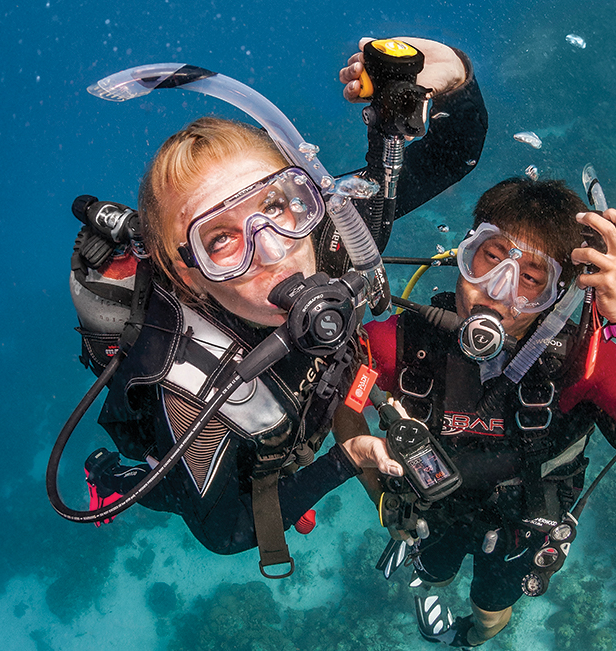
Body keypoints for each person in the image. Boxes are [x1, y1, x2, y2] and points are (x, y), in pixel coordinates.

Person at [66, 37, 488, 576]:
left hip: (307, 397)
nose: (273, 249)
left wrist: (454, 75)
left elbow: (458, 153)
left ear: (307, 195)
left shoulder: (331, 233)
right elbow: (227, 532)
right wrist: (343, 461)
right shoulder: (184, 391)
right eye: (220, 240)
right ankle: (111, 479)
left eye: (274, 204)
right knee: (173, 485)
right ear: (185, 271)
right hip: (220, 442)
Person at [363, 177, 616, 646]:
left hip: (522, 530)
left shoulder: (585, 365)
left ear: (561, 294)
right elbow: (341, 398)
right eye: (490, 258)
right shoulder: (403, 343)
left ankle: (472, 636)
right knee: (432, 573)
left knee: (492, 608)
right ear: (463, 252)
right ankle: (430, 595)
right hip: (432, 513)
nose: (498, 291)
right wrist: (382, 495)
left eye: (533, 279)